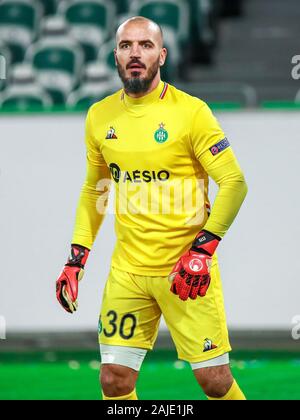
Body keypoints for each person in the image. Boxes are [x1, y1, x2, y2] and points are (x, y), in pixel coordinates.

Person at [56, 16, 248, 401]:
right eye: (126, 46)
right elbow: (97, 188)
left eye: (145, 45)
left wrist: (202, 249)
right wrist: (76, 258)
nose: (135, 53)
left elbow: (235, 183)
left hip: (186, 269)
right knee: (113, 379)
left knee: (214, 379)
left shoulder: (191, 112)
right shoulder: (99, 116)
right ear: (115, 57)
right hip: (128, 271)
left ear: (162, 54)